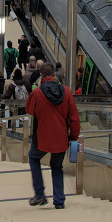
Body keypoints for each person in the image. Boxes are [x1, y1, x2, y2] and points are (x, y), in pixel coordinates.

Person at [24, 63, 79, 209]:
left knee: (33, 158)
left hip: (41, 137)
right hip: (61, 138)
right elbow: (74, 118)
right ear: (54, 74)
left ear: (41, 76)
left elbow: (30, 110)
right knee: (56, 167)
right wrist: (74, 137)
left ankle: (40, 194)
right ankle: (59, 200)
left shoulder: (36, 93)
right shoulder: (66, 92)